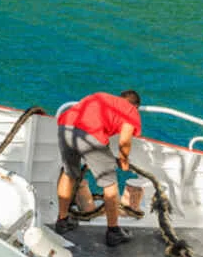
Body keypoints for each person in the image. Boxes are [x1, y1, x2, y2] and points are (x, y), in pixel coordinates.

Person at [54, 89, 143, 246]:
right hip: (90, 134)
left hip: (65, 125)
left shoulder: (101, 96)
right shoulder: (131, 110)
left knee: (69, 174)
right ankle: (114, 232)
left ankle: (62, 221)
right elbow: (124, 141)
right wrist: (123, 160)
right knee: (110, 183)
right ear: (136, 106)